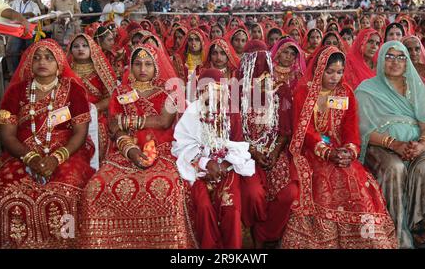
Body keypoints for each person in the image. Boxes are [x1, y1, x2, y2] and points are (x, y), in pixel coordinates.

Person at [77, 43, 196, 248]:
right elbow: (115, 129)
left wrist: (127, 121)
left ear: (156, 66)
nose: (143, 69)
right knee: (95, 188)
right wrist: (131, 150)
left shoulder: (167, 92)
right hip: (124, 152)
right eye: (138, 64)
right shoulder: (120, 92)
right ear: (130, 67)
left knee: (169, 187)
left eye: (148, 64)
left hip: (162, 151)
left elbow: (163, 122)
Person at [281, 46, 397, 249]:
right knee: (324, 180)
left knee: (355, 177)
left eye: (339, 72)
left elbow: (350, 127)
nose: (335, 77)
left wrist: (349, 151)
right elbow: (303, 129)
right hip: (312, 151)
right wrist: (326, 151)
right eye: (330, 72)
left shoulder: (345, 93)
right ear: (319, 70)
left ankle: (364, 240)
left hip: (340, 150)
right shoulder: (304, 93)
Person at [0, 39, 95, 248]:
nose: (42, 62)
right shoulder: (15, 92)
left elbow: (80, 133)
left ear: (59, 63)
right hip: (22, 153)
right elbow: (8, 136)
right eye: (37, 57)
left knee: (68, 189)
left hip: (67, 153)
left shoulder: (73, 91)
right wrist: (31, 158)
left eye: (49, 58)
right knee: (6, 190)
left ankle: (69, 243)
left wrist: (56, 158)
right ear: (29, 63)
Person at [355, 41, 425, 249]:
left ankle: (419, 227)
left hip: (414, 145)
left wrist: (422, 145)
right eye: (390, 56)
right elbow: (363, 129)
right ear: (381, 60)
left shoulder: (415, 87)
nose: (395, 62)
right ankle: (395, 229)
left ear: (407, 62)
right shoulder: (367, 89)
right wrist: (393, 144)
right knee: (395, 168)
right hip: (380, 146)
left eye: (401, 57)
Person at [172, 68, 255, 248]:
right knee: (204, 207)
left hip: (227, 167)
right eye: (206, 90)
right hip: (199, 169)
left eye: (217, 90)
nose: (212, 95)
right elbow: (182, 145)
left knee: (230, 208)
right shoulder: (193, 112)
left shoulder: (231, 112)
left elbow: (239, 143)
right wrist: (206, 162)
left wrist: (223, 164)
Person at [239, 41, 299, 248]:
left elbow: (285, 129)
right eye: (255, 64)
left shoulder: (279, 90)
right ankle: (256, 234)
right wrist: (254, 151)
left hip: (275, 152)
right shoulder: (237, 93)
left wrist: (274, 152)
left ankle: (269, 235)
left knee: (288, 194)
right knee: (254, 195)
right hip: (245, 154)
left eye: (263, 64)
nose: (259, 68)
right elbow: (235, 132)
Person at [68, 33, 117, 161]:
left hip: (97, 114)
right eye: (76, 46)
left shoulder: (100, 70)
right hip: (70, 115)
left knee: (101, 131)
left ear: (92, 49)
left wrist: (94, 108)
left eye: (85, 46)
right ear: (70, 50)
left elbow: (112, 96)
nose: (80, 49)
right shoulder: (66, 72)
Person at [5, 0, 40, 75]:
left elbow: (34, 15)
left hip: (28, 30)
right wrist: (24, 15)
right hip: (17, 30)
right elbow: (11, 14)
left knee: (30, 51)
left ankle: (30, 71)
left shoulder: (34, 4)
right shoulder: (16, 3)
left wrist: (19, 15)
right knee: (11, 51)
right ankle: (14, 72)